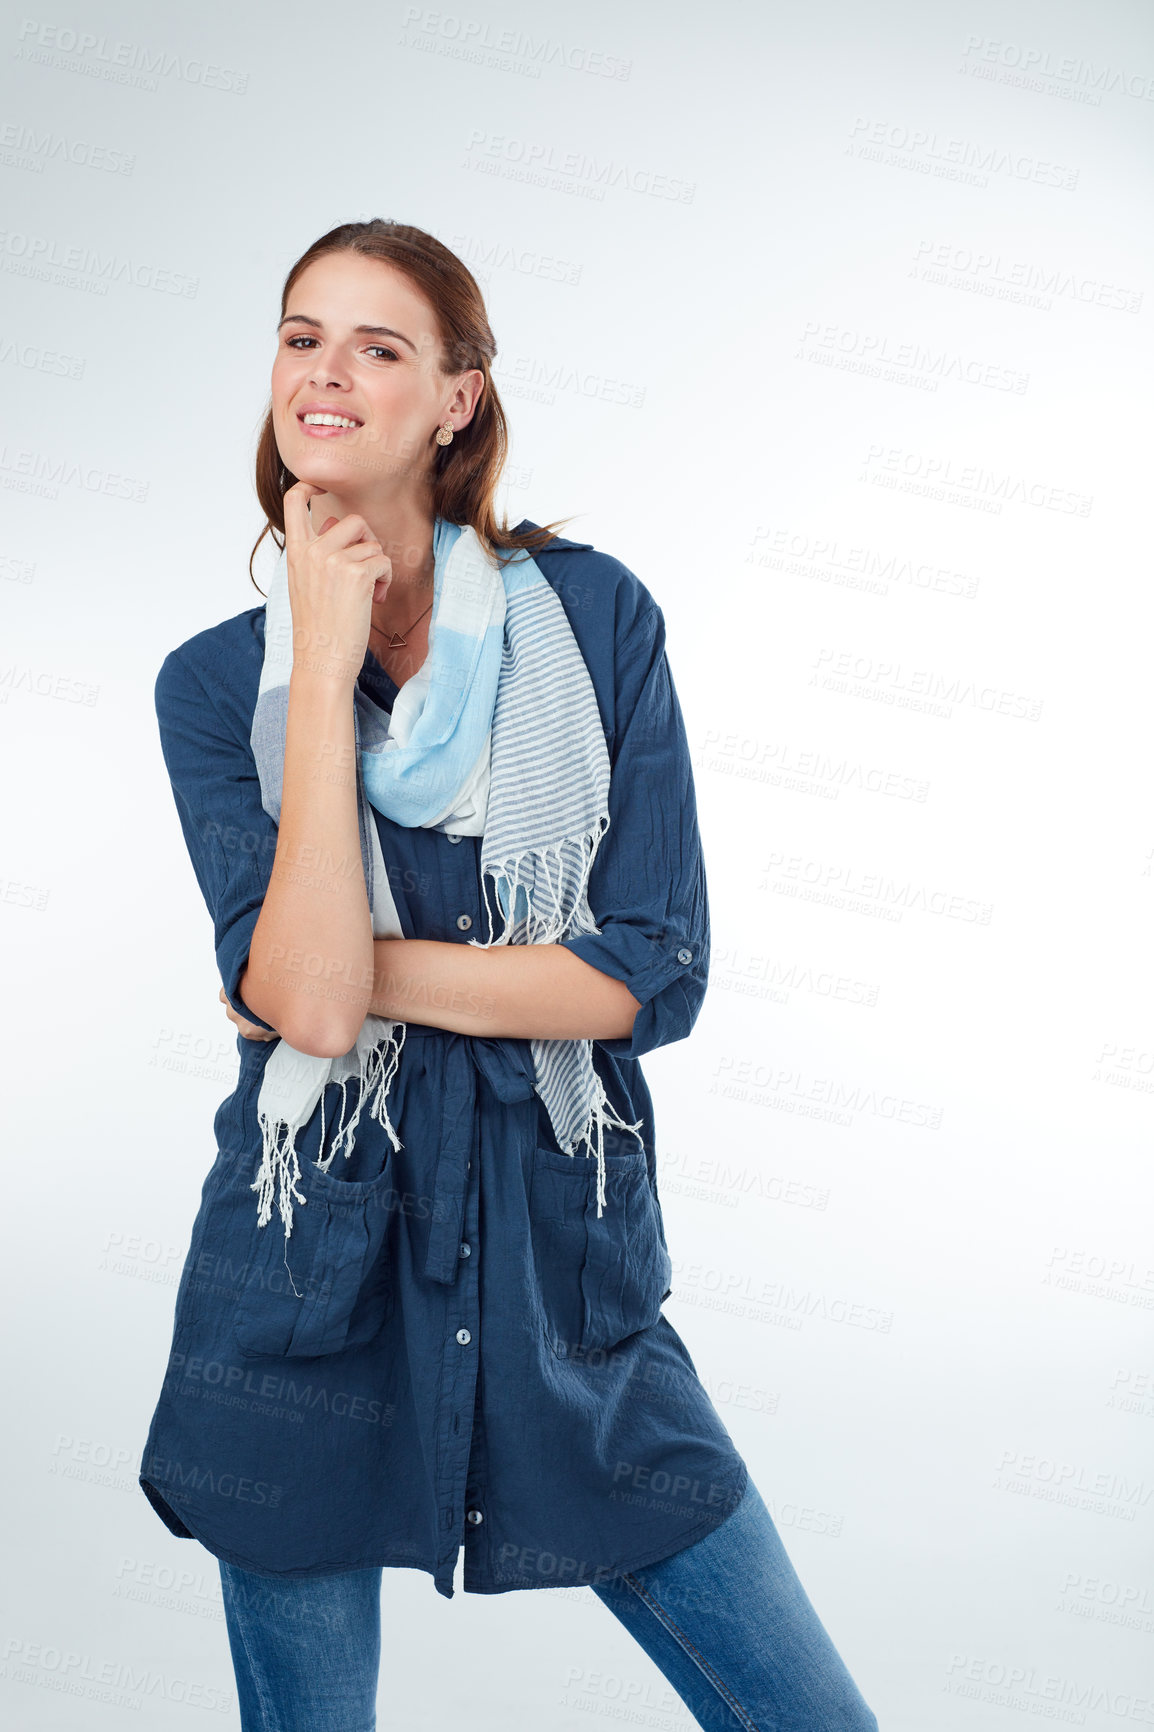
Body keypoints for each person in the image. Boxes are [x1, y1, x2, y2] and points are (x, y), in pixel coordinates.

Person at [137, 219, 879, 1732]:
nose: (322, 374)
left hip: (560, 1266)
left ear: (456, 399)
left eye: (375, 345)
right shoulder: (221, 684)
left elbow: (646, 976)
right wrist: (322, 647)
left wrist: (324, 973)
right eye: (299, 336)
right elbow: (319, 1010)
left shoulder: (593, 620)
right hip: (300, 1279)